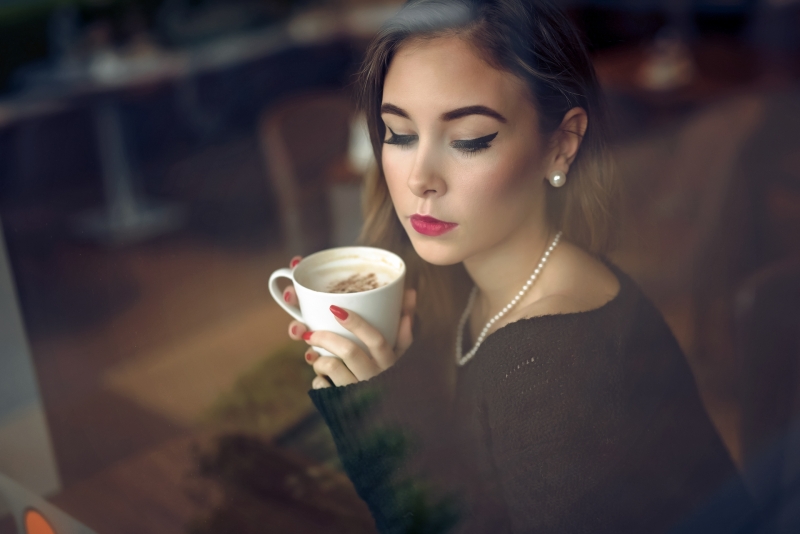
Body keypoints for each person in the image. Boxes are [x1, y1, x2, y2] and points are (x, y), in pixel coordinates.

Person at [280, 0, 757, 532]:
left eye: (469, 140)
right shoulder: (486, 287)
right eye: (400, 134)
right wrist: (392, 376)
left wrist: (377, 427)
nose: (420, 179)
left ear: (561, 144)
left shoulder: (548, 365)